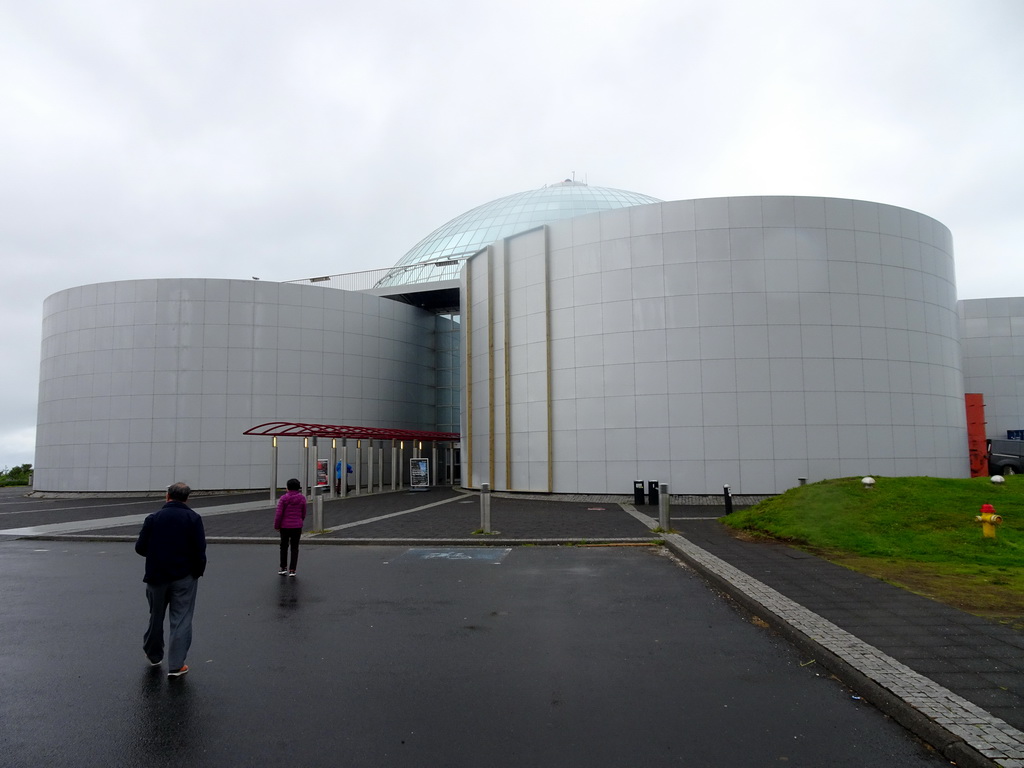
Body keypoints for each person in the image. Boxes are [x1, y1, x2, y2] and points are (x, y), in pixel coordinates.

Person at [135, 482, 207, 678]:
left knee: (156, 615)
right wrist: (197, 571)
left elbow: (140, 547)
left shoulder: (153, 518)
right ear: (187, 498)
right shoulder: (193, 518)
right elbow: (200, 549)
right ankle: (176, 665)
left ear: (167, 496)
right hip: (184, 576)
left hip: (157, 576)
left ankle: (153, 654)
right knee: (182, 618)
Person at [275, 478, 306, 576]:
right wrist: (300, 521)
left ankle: (283, 567)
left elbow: (279, 514)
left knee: (283, 546)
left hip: (284, 526)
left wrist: (277, 525)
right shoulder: (302, 498)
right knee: (294, 547)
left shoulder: (283, 498)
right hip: (297, 526)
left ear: (287, 488)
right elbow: (303, 513)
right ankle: (292, 569)